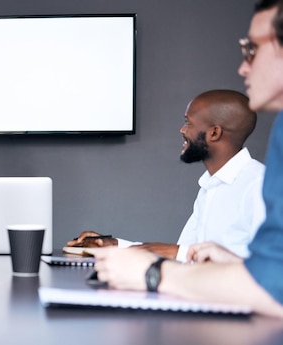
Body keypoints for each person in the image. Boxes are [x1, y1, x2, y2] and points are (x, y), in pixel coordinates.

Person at [93, 0, 283, 317]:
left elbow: (272, 286)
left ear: (215, 133)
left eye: (253, 49)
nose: (243, 67)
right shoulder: (210, 186)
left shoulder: (256, 182)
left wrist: (152, 274)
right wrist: (236, 264)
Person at [68, 90, 265, 262]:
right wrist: (114, 245)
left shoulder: (260, 186)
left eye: (188, 122)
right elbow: (183, 254)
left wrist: (178, 252)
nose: (182, 130)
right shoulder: (212, 186)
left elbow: (269, 269)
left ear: (214, 133)